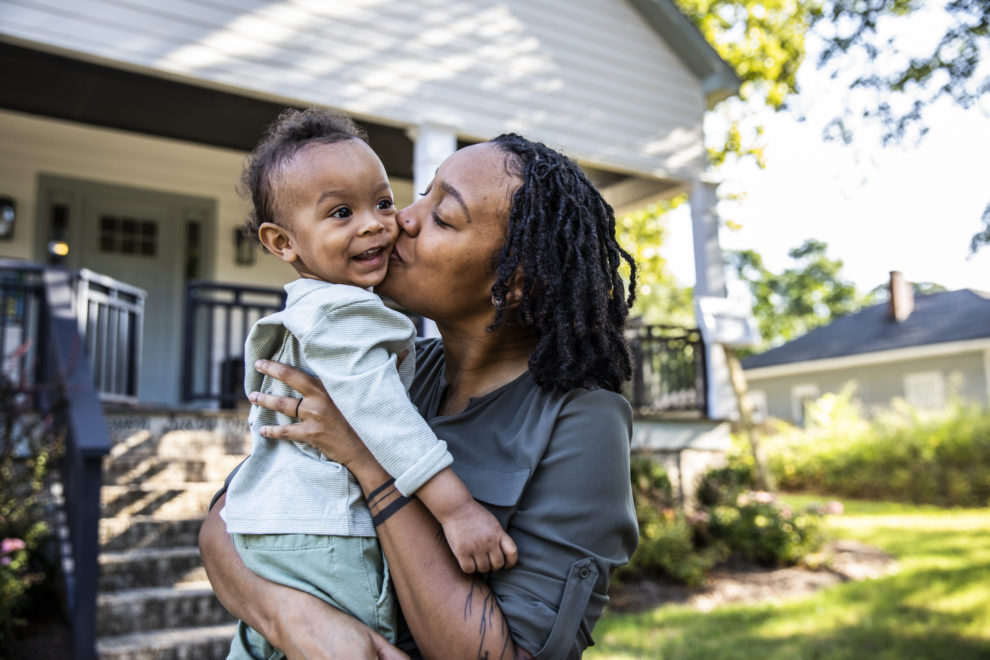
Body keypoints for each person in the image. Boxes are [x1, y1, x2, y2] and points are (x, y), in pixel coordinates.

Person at [200, 129, 640, 659]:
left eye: (442, 216)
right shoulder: (385, 366)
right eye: (423, 193)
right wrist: (297, 619)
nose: (402, 218)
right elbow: (225, 525)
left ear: (514, 280)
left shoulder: (581, 419)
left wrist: (369, 462)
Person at [219, 108, 517, 659]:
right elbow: (382, 415)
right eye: (340, 212)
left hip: (278, 525)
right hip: (327, 531)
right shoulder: (343, 314)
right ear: (283, 243)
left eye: (382, 201)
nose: (378, 223)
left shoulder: (312, 309)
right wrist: (455, 509)